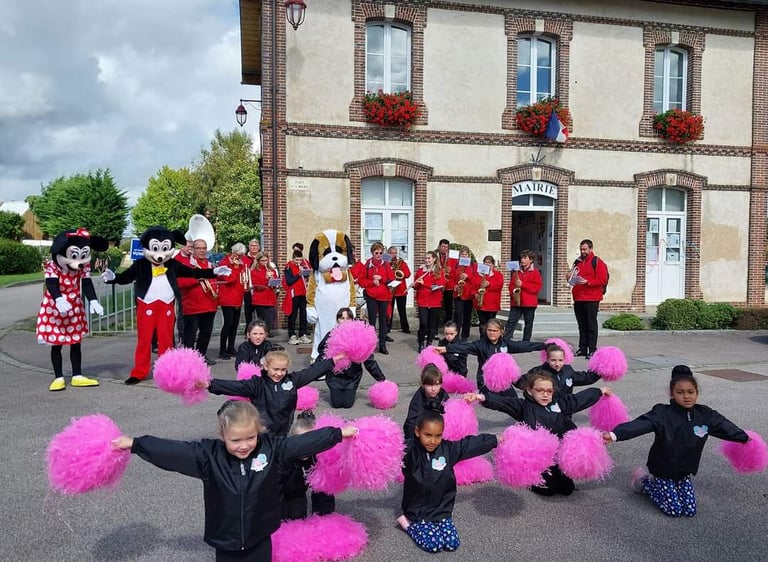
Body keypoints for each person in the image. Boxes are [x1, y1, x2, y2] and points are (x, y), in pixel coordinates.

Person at [112, 400, 357, 561]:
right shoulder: (208, 455)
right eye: (235, 440)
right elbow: (173, 451)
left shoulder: (270, 448)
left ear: (258, 431)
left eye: (250, 438)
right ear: (222, 435)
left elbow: (302, 443)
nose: (244, 446)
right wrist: (135, 444)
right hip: (226, 541)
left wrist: (337, 434)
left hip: (260, 536)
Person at [604, 365, 751, 517]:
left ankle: (663, 486)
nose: (686, 396)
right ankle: (645, 482)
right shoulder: (662, 413)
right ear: (672, 394)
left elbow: (724, 426)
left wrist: (743, 437)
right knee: (674, 510)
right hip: (663, 470)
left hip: (684, 471)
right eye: (680, 392)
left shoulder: (705, 414)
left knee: (689, 510)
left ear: (697, 393)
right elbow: (640, 424)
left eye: (690, 392)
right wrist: (615, 435)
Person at [465, 371, 610, 496]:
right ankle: (532, 481)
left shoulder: (559, 404)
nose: (545, 395)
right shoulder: (524, 406)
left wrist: (599, 391)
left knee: (568, 489)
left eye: (549, 391)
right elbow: (503, 403)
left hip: (559, 454)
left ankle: (557, 478)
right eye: (540, 390)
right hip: (539, 458)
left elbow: (579, 399)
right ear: (529, 390)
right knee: (550, 490)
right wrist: (480, 397)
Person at [397, 410, 498, 553]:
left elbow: (470, 444)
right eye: (428, 435)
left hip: (442, 511)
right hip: (417, 512)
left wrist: (495, 440)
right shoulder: (408, 450)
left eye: (438, 436)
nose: (433, 441)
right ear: (418, 432)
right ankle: (408, 525)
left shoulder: (448, 449)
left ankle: (437, 522)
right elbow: (385, 449)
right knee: (434, 545)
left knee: (452, 543)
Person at [201, 349, 343, 435]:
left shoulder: (292, 381)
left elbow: (312, 372)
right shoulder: (256, 384)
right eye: (275, 369)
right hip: (262, 433)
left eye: (283, 370)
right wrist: (210, 384)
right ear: (266, 367)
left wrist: (332, 361)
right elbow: (233, 386)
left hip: (284, 432)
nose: (279, 373)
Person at [435, 318, 545, 393]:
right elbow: (464, 347)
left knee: (516, 393)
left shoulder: (506, 344)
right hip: (486, 382)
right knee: (491, 399)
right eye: (489, 330)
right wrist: (446, 349)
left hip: (503, 381)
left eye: (495, 331)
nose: (492, 333)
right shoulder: (480, 344)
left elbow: (524, 345)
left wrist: (543, 345)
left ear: (501, 331)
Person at [318, 307, 386, 408]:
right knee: (336, 404)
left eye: (348, 318)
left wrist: (382, 379)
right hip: (335, 377)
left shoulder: (359, 337)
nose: (345, 321)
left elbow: (369, 360)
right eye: (342, 318)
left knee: (347, 404)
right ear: (337, 320)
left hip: (352, 378)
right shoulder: (331, 335)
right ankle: (336, 391)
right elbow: (322, 353)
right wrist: (310, 375)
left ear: (352, 320)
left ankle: (349, 391)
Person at [279, 410, 336, 520]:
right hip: (281, 494)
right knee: (283, 520)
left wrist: (324, 517)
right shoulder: (283, 459)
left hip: (297, 494)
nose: (304, 448)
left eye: (309, 444)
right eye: (300, 442)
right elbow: (274, 489)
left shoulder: (316, 459)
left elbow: (323, 488)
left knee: (299, 516)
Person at [176, 238, 219, 366]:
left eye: (204, 248)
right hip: (192, 306)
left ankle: (201, 356)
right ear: (193, 249)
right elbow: (180, 283)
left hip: (209, 305)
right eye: (199, 248)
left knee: (205, 334)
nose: (202, 251)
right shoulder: (186, 265)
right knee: (190, 334)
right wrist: (197, 278)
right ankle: (189, 359)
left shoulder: (209, 264)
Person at [515, 343, 601, 400]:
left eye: (560, 360)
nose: (557, 363)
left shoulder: (568, 370)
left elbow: (586, 378)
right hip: (546, 411)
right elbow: (520, 382)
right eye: (553, 360)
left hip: (564, 410)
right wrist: (507, 375)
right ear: (547, 360)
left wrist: (602, 370)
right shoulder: (538, 371)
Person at [568, 239, 608, 358]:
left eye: (585, 249)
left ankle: (592, 349)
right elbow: (572, 276)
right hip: (578, 297)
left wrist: (588, 282)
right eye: (581, 249)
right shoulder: (577, 262)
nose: (583, 251)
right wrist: (569, 277)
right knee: (581, 325)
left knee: (591, 325)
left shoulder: (597, 261)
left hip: (591, 298)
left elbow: (602, 279)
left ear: (591, 249)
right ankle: (582, 348)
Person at [357, 242, 395, 354]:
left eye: (380, 253)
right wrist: (372, 282)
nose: (378, 255)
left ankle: (382, 345)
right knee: (372, 322)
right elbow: (361, 281)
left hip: (384, 296)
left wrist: (382, 278)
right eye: (376, 253)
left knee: (383, 321)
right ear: (372, 253)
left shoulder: (386, 264)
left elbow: (391, 279)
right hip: (371, 296)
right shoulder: (367, 264)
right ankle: (371, 344)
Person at [216, 243, 248, 360]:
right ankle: (222, 350)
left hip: (237, 297)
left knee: (234, 325)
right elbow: (229, 279)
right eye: (239, 255)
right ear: (234, 253)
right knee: (228, 324)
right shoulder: (224, 263)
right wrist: (235, 268)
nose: (240, 258)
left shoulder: (239, 264)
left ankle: (230, 347)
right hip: (227, 298)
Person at [504, 250, 543, 342]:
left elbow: (536, 288)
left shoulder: (535, 272)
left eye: (525, 258)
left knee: (528, 324)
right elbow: (511, 285)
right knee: (511, 322)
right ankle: (505, 341)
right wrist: (513, 293)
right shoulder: (516, 272)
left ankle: (526, 342)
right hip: (516, 302)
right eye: (521, 258)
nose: (522, 260)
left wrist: (522, 284)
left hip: (529, 302)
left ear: (531, 260)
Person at [403, 363, 449, 438]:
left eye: (437, 385)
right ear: (423, 385)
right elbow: (411, 424)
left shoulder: (443, 395)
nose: (433, 389)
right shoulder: (417, 401)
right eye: (430, 385)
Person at [412, 251, 446, 352]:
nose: (426, 260)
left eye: (429, 258)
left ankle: (429, 344)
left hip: (434, 300)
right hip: (422, 300)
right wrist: (415, 284)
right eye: (425, 258)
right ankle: (421, 342)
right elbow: (417, 287)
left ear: (434, 259)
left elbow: (438, 285)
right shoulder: (420, 270)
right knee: (423, 323)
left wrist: (424, 283)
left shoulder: (439, 271)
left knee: (432, 324)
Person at [284, 248, 311, 345]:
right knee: (293, 315)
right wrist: (299, 275)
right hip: (294, 294)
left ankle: (303, 334)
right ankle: (292, 335)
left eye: (300, 260)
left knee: (303, 315)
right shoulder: (288, 267)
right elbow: (289, 281)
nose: (299, 262)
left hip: (303, 293)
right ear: (293, 259)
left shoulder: (303, 266)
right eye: (297, 260)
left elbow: (307, 279)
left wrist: (306, 274)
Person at [250, 251, 280, 334]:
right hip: (260, 299)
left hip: (270, 298)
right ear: (258, 261)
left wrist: (274, 281)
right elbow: (257, 286)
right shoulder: (254, 271)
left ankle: (265, 336)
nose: (264, 262)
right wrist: (266, 278)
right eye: (262, 261)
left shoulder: (272, 270)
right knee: (263, 321)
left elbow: (276, 284)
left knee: (269, 320)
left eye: (266, 260)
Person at [473, 255, 504, 337]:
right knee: (482, 323)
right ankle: (482, 340)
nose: (487, 264)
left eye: (489, 263)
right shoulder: (478, 274)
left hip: (492, 304)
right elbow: (473, 286)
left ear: (493, 265)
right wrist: (475, 294)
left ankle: (491, 340)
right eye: (485, 262)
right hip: (481, 303)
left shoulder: (498, 274)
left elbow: (499, 285)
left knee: (491, 324)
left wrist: (489, 284)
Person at [450, 246, 476, 340]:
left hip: (468, 294)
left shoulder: (473, 265)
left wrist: (468, 276)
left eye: (466, 254)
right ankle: (456, 335)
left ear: (468, 255)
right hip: (458, 294)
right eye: (462, 254)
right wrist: (454, 286)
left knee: (467, 316)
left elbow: (476, 279)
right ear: (460, 255)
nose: (464, 256)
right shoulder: (456, 265)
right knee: (458, 315)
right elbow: (451, 278)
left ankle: (465, 336)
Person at [387, 245, 411, 335]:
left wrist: (401, 273)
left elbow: (408, 274)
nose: (394, 255)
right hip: (390, 290)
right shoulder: (386, 263)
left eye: (395, 253)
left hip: (401, 290)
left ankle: (405, 328)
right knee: (389, 310)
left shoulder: (401, 262)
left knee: (402, 310)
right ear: (388, 254)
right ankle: (388, 327)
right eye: (392, 253)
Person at [436, 239, 457, 327]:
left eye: (446, 247)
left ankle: (448, 326)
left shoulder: (452, 256)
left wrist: (451, 270)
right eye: (443, 246)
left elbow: (456, 270)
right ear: (439, 246)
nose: (445, 249)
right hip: (438, 285)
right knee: (437, 307)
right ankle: (435, 327)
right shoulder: (435, 255)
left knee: (449, 307)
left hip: (448, 285)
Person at [242, 238, 261, 331]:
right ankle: (249, 330)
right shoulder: (244, 259)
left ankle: (261, 330)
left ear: (259, 247)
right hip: (248, 288)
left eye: (255, 246)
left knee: (260, 311)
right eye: (252, 246)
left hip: (259, 288)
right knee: (248, 311)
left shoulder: (261, 258)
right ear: (249, 247)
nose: (253, 248)